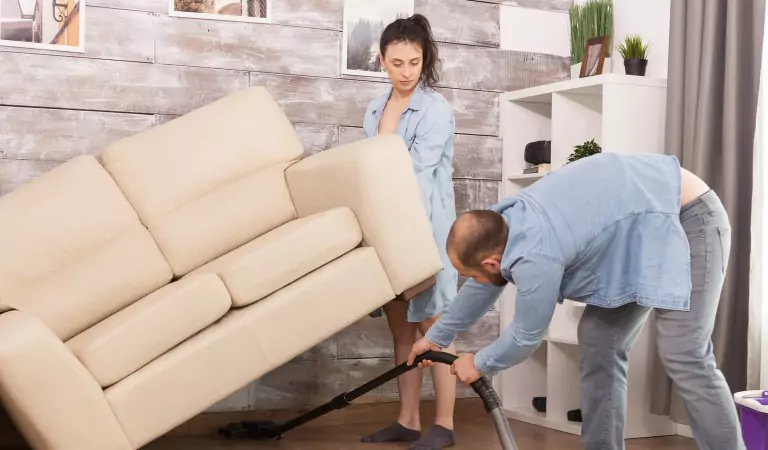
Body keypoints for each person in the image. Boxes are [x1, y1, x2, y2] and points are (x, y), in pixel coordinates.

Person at [408, 152, 746, 450]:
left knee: (684, 353)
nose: (474, 282)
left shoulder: (535, 251)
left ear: (491, 263)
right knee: (600, 341)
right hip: (639, 231)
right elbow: (484, 285)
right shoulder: (503, 225)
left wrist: (479, 363)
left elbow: (526, 335)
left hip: (688, 217)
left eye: (473, 274)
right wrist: (436, 337)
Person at [359, 13, 459, 450]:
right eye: (397, 62)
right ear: (382, 60)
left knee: (436, 330)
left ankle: (445, 425)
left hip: (424, 231)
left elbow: (415, 171)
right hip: (387, 228)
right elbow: (367, 167)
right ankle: (407, 420)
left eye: (414, 63)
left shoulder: (436, 110)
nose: (405, 71)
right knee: (401, 331)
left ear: (424, 61)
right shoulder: (374, 109)